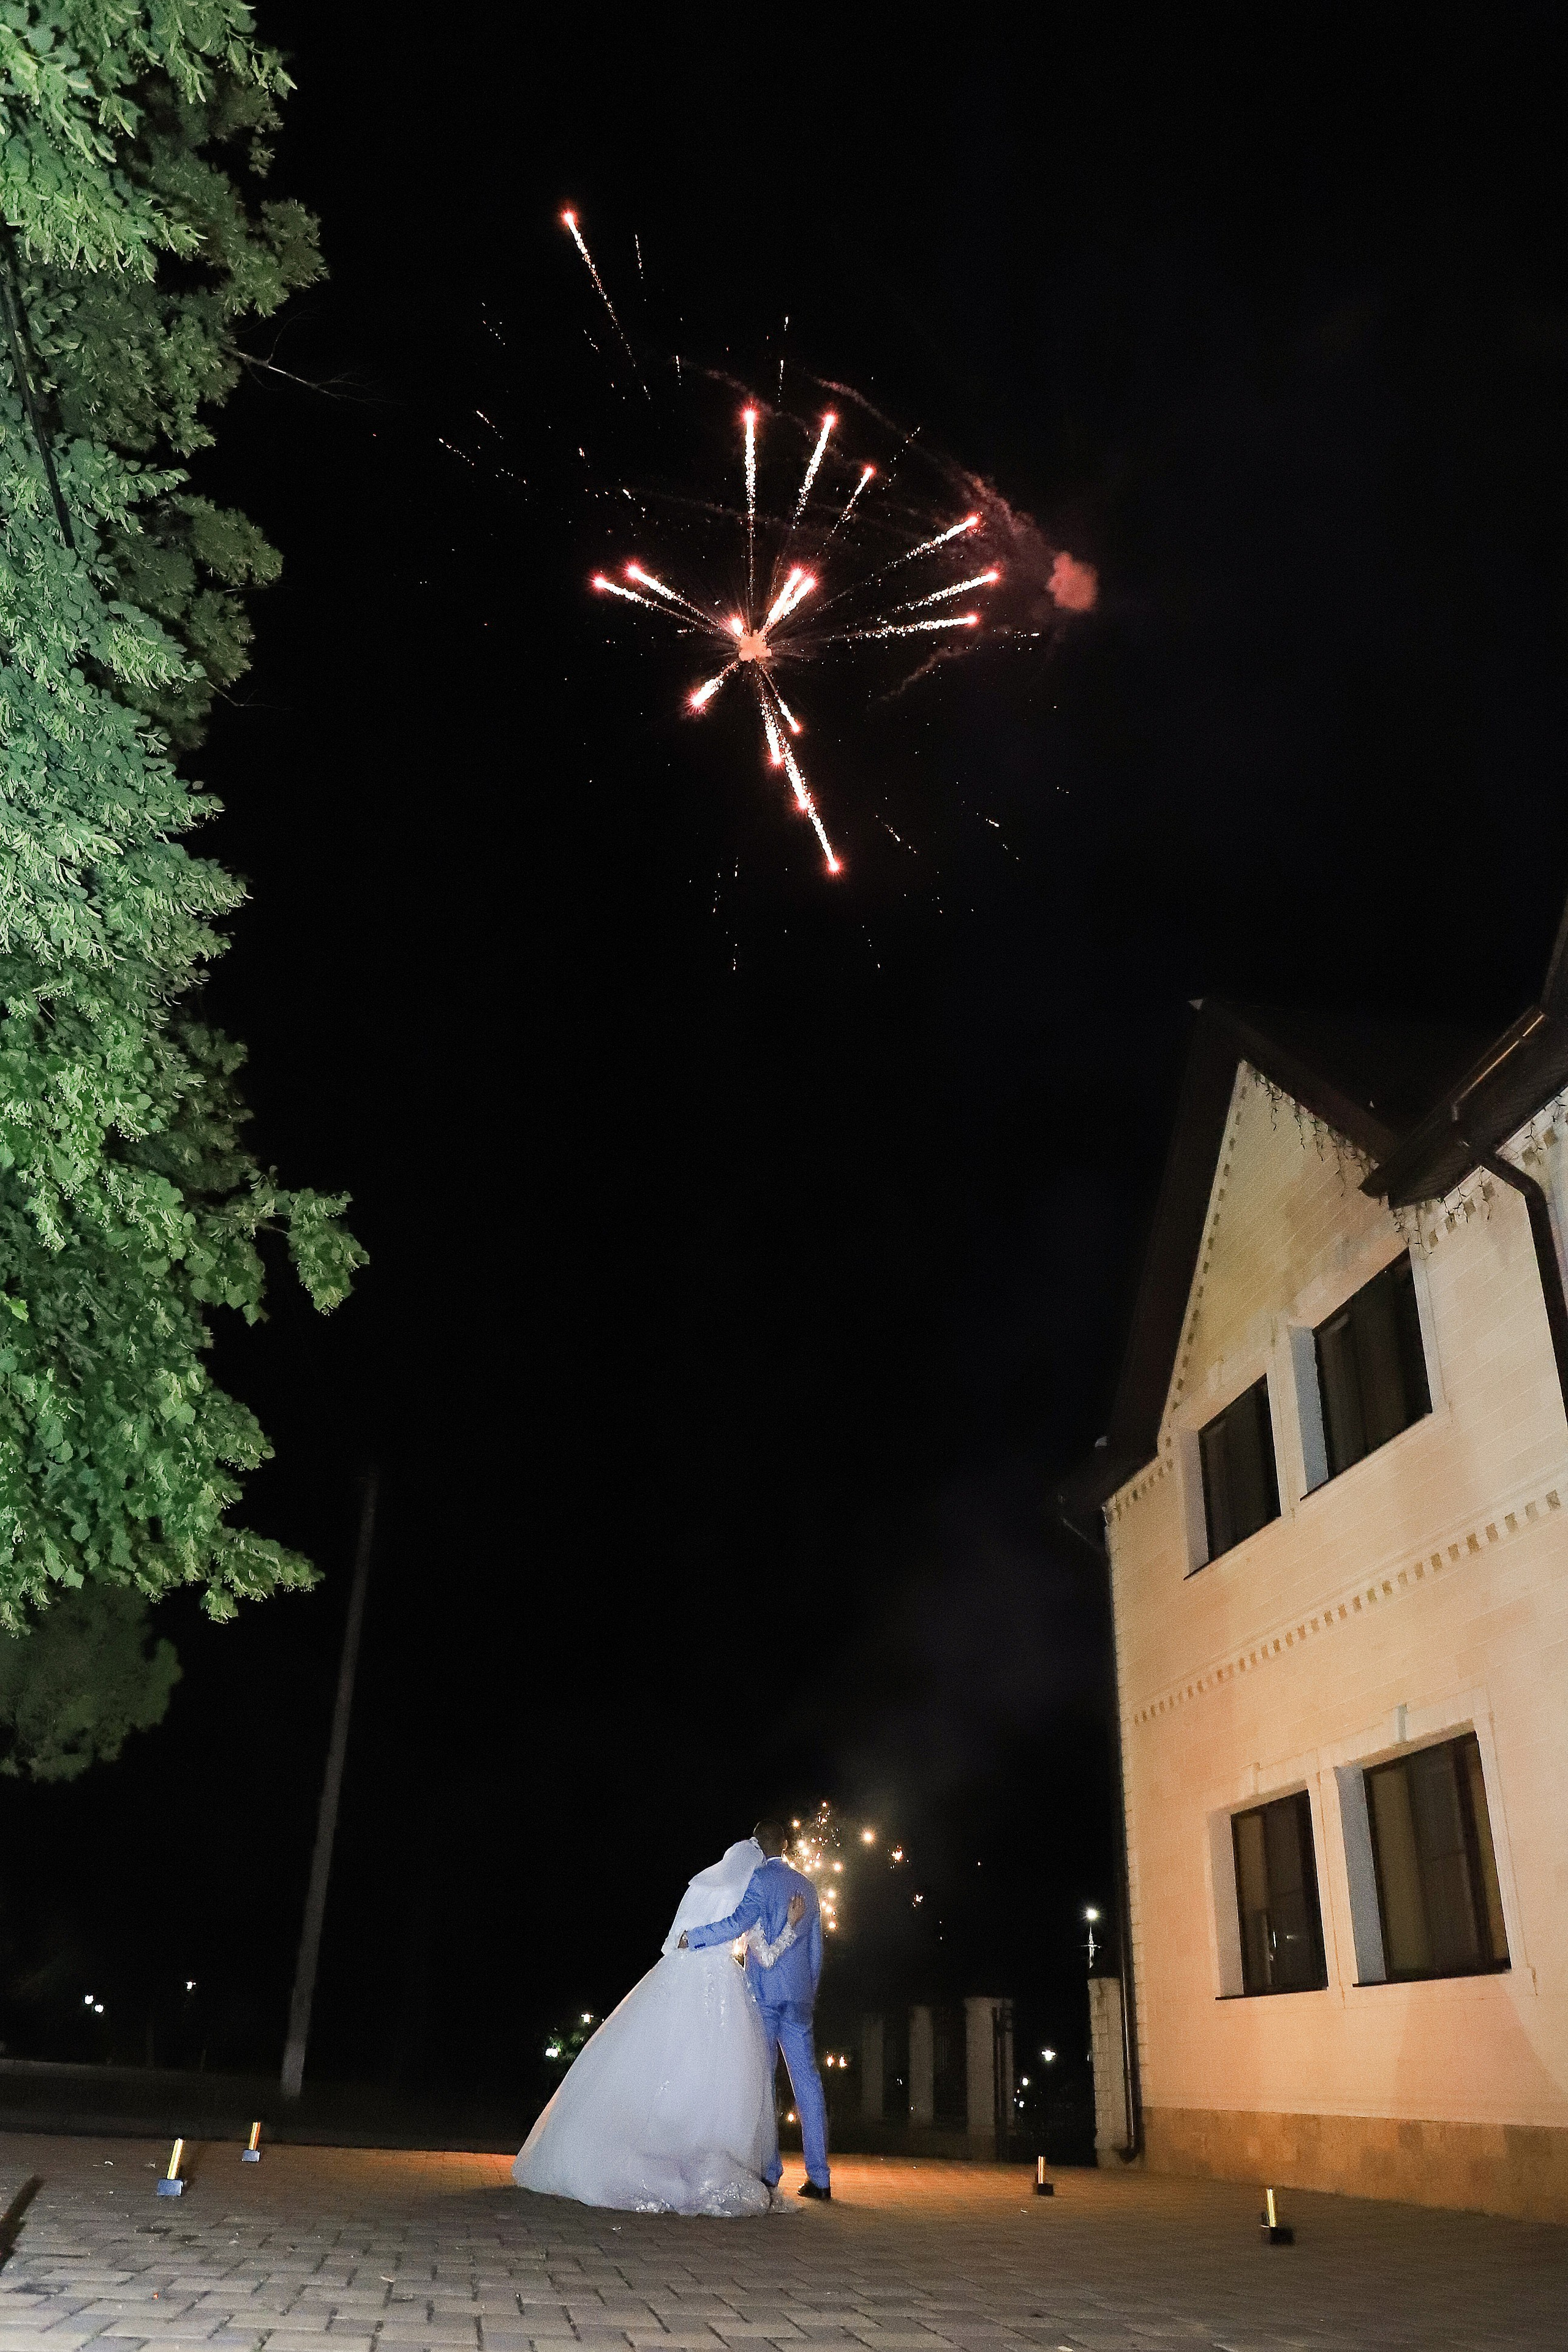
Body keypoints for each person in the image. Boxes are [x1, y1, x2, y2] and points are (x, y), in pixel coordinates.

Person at [511, 1831, 809, 2215]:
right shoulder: (752, 1889)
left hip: (688, 1977)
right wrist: (788, 1926)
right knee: (708, 2075)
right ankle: (681, 2153)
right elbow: (760, 1949)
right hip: (718, 1989)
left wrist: (694, 1939)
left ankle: (663, 2148)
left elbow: (708, 1934)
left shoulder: (706, 1884)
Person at [680, 1819, 830, 2199]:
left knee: (764, 2081)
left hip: (764, 1997)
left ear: (758, 1846)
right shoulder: (809, 1888)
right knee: (808, 2084)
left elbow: (735, 1925)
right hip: (799, 2000)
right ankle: (821, 2177)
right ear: (785, 1843)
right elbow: (815, 1953)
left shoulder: (760, 1881)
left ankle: (770, 2169)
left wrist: (693, 1938)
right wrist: (807, 1996)